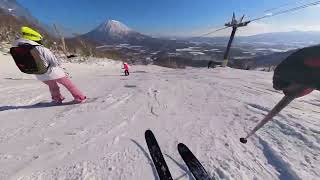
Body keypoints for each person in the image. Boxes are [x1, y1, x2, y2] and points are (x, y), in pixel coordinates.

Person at [11, 26, 86, 104]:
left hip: (39, 74)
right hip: (53, 72)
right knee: (68, 84)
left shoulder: (19, 49)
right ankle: (80, 98)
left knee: (53, 86)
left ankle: (57, 99)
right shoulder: (41, 48)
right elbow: (54, 62)